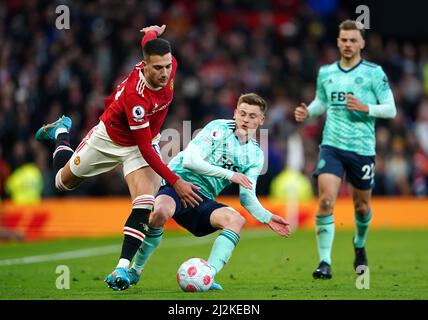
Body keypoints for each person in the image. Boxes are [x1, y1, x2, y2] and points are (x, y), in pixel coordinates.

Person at [35, 25, 202, 290]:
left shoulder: (169, 65)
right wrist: (175, 181)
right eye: (158, 68)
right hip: (109, 140)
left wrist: (150, 33)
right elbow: (146, 149)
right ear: (145, 66)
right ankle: (61, 131)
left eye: (168, 66)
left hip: (144, 141)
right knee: (61, 183)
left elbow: (149, 43)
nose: (165, 73)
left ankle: (122, 269)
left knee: (145, 202)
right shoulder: (137, 97)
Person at [110, 93, 291, 291]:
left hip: (202, 198)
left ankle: (208, 275)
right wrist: (230, 175)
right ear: (235, 113)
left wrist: (267, 217)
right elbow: (191, 161)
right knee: (160, 212)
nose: (246, 119)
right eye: (242, 114)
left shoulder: (256, 155)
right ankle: (135, 270)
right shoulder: (218, 129)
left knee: (236, 220)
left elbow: (247, 197)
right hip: (177, 185)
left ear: (261, 120)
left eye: (252, 116)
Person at [294, 20, 397, 279]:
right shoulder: (326, 72)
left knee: (361, 207)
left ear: (362, 43)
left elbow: (391, 108)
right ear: (338, 42)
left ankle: (359, 244)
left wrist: (367, 108)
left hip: (362, 148)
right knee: (326, 200)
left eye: (353, 40)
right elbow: (321, 102)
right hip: (332, 146)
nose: (348, 44)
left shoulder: (374, 73)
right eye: (344, 40)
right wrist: (308, 111)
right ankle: (325, 262)